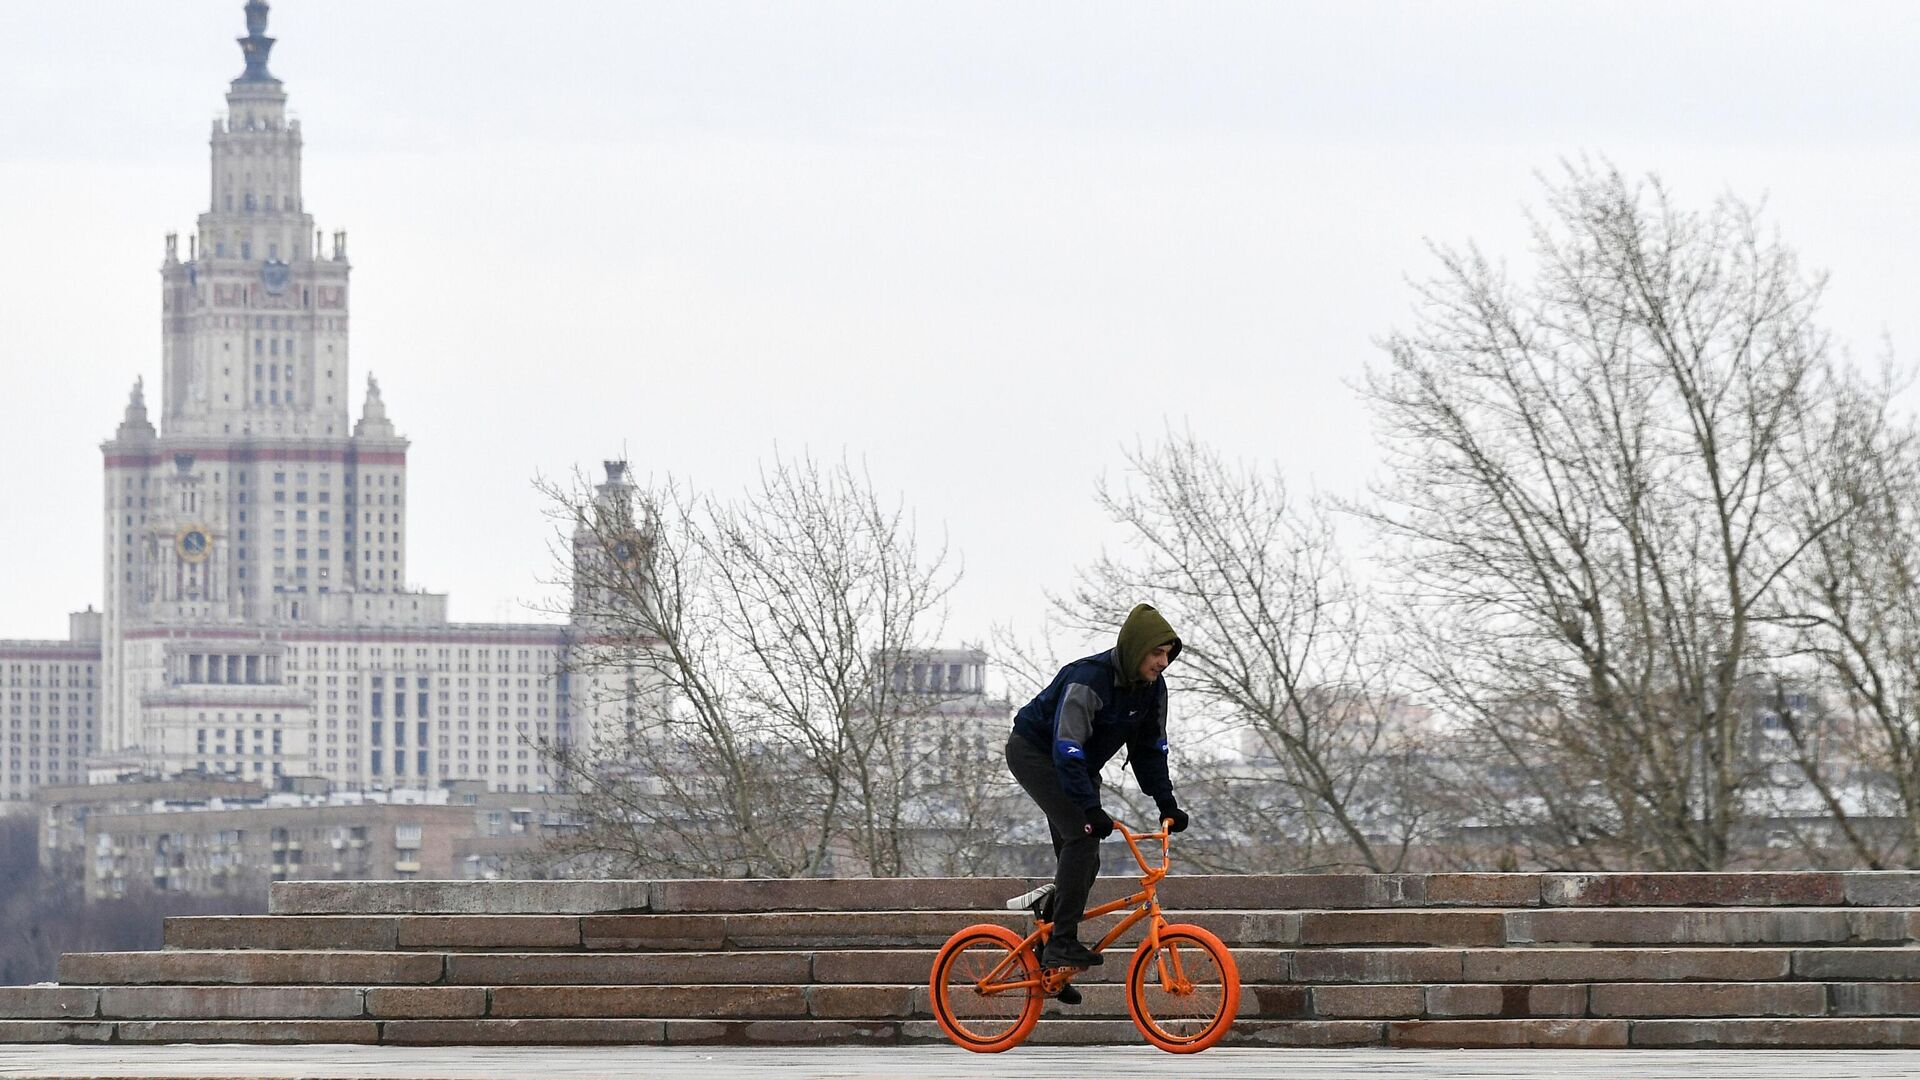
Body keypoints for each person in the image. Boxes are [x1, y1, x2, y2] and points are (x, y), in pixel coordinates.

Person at [1007, 603, 1191, 971]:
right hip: (1037, 753)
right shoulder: (1088, 679)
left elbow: (1151, 748)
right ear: (1136, 647)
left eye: (1167, 655)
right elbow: (1066, 745)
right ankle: (1062, 943)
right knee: (1082, 834)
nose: (1163, 663)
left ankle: (1048, 945)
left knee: (1086, 858)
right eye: (1156, 653)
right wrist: (1089, 808)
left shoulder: (1152, 689)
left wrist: (1166, 802)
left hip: (1078, 765)